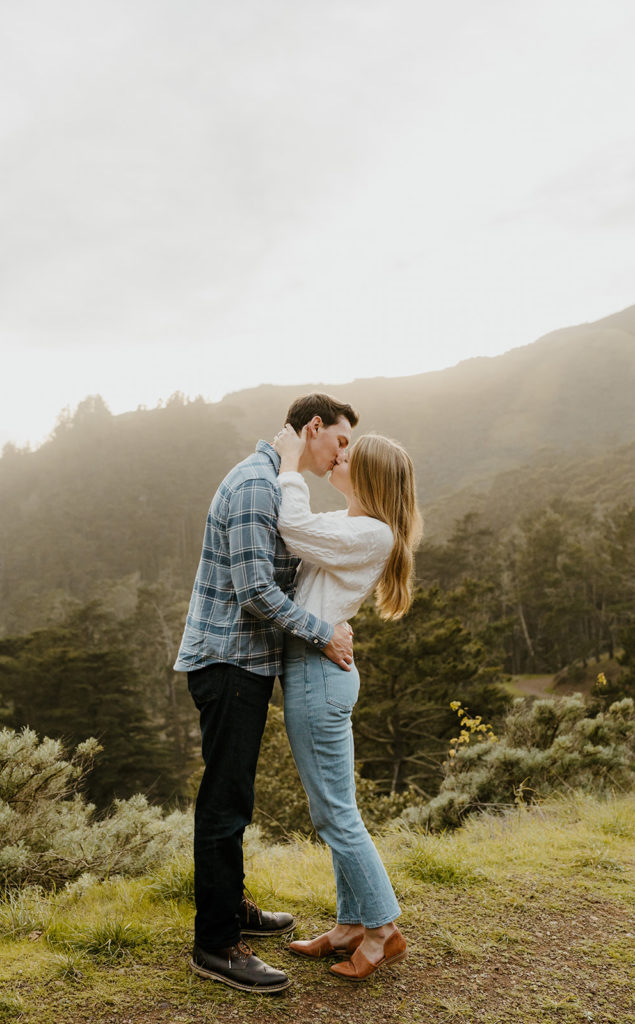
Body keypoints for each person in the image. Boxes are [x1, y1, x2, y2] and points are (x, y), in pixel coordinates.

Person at [174, 393, 359, 994]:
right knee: (225, 801)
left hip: (244, 663)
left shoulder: (271, 479)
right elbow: (255, 589)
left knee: (236, 793)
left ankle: (234, 912)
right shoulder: (257, 484)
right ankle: (216, 943)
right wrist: (323, 632)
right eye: (339, 440)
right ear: (313, 428)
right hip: (229, 661)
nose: (342, 453)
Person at [272, 424, 422, 982]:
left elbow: (293, 527)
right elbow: (310, 536)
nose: (339, 454)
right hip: (317, 671)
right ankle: (349, 925)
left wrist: (289, 465)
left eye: (349, 453)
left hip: (317, 676)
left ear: (368, 475)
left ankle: (383, 931)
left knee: (335, 814)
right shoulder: (353, 524)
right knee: (333, 810)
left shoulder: (373, 535)